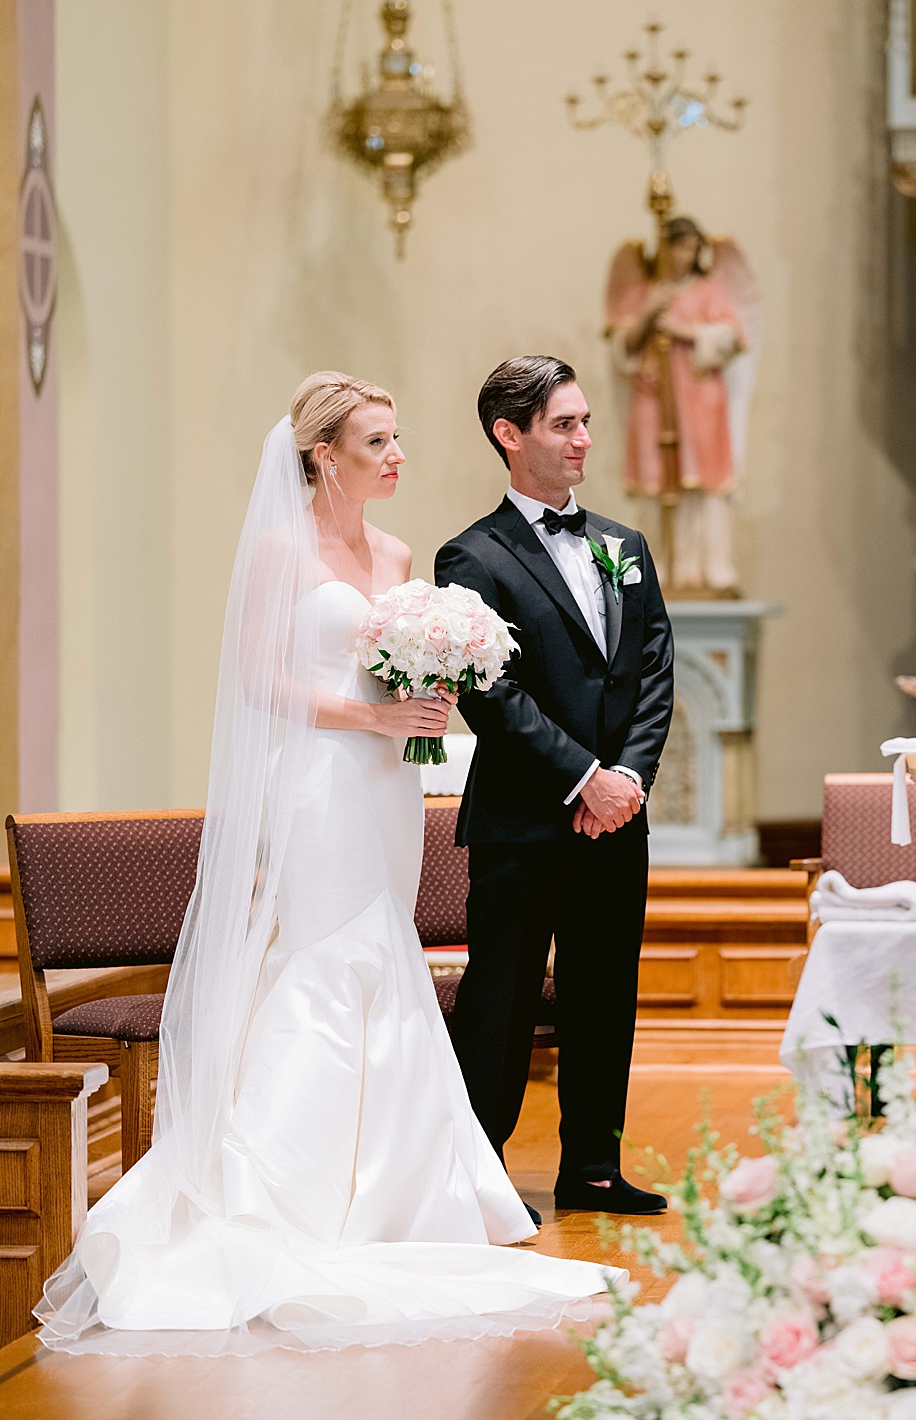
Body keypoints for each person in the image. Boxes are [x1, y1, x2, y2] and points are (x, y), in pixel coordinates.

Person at [37, 372, 613, 1354]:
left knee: (383, 959)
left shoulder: (395, 552)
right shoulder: (280, 549)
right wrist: (372, 715)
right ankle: (286, 1193)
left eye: (396, 439)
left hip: (386, 789)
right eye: (376, 442)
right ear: (321, 454)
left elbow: (409, 665)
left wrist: (429, 699)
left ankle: (398, 1195)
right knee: (326, 962)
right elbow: (259, 681)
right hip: (318, 789)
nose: (396, 457)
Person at [436, 357, 674, 1216]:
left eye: (583, 421)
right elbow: (489, 693)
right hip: (525, 819)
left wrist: (628, 780)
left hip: (618, 819)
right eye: (562, 423)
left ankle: (595, 1167)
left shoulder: (624, 546)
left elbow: (655, 672)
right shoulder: (472, 555)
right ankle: (479, 1174)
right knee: (500, 999)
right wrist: (581, 778)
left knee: (605, 992)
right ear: (510, 432)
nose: (583, 438)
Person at [605, 217, 757, 595]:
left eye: (694, 248)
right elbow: (622, 348)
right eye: (680, 246)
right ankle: (657, 568)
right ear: (666, 247)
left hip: (698, 400)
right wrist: (648, 315)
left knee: (700, 481)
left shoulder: (708, 292)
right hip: (654, 399)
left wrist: (684, 330)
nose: (687, 255)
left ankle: (702, 569)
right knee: (657, 482)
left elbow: (732, 338)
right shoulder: (646, 292)